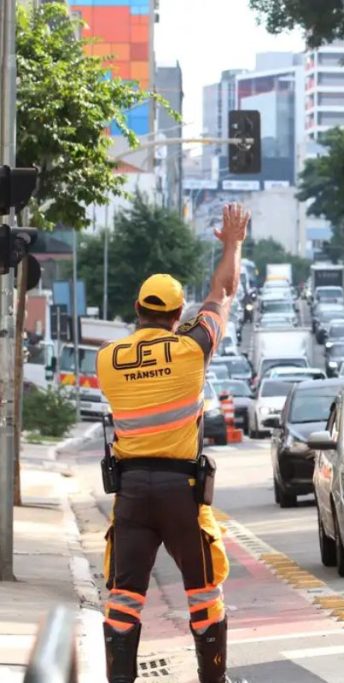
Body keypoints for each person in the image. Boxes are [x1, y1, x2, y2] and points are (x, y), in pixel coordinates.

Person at [96, 204, 251, 683]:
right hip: (180, 493)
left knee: (124, 600)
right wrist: (232, 244)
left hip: (132, 497)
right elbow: (223, 292)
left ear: (138, 309)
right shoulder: (191, 350)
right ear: (178, 313)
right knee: (204, 595)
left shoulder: (107, 360)